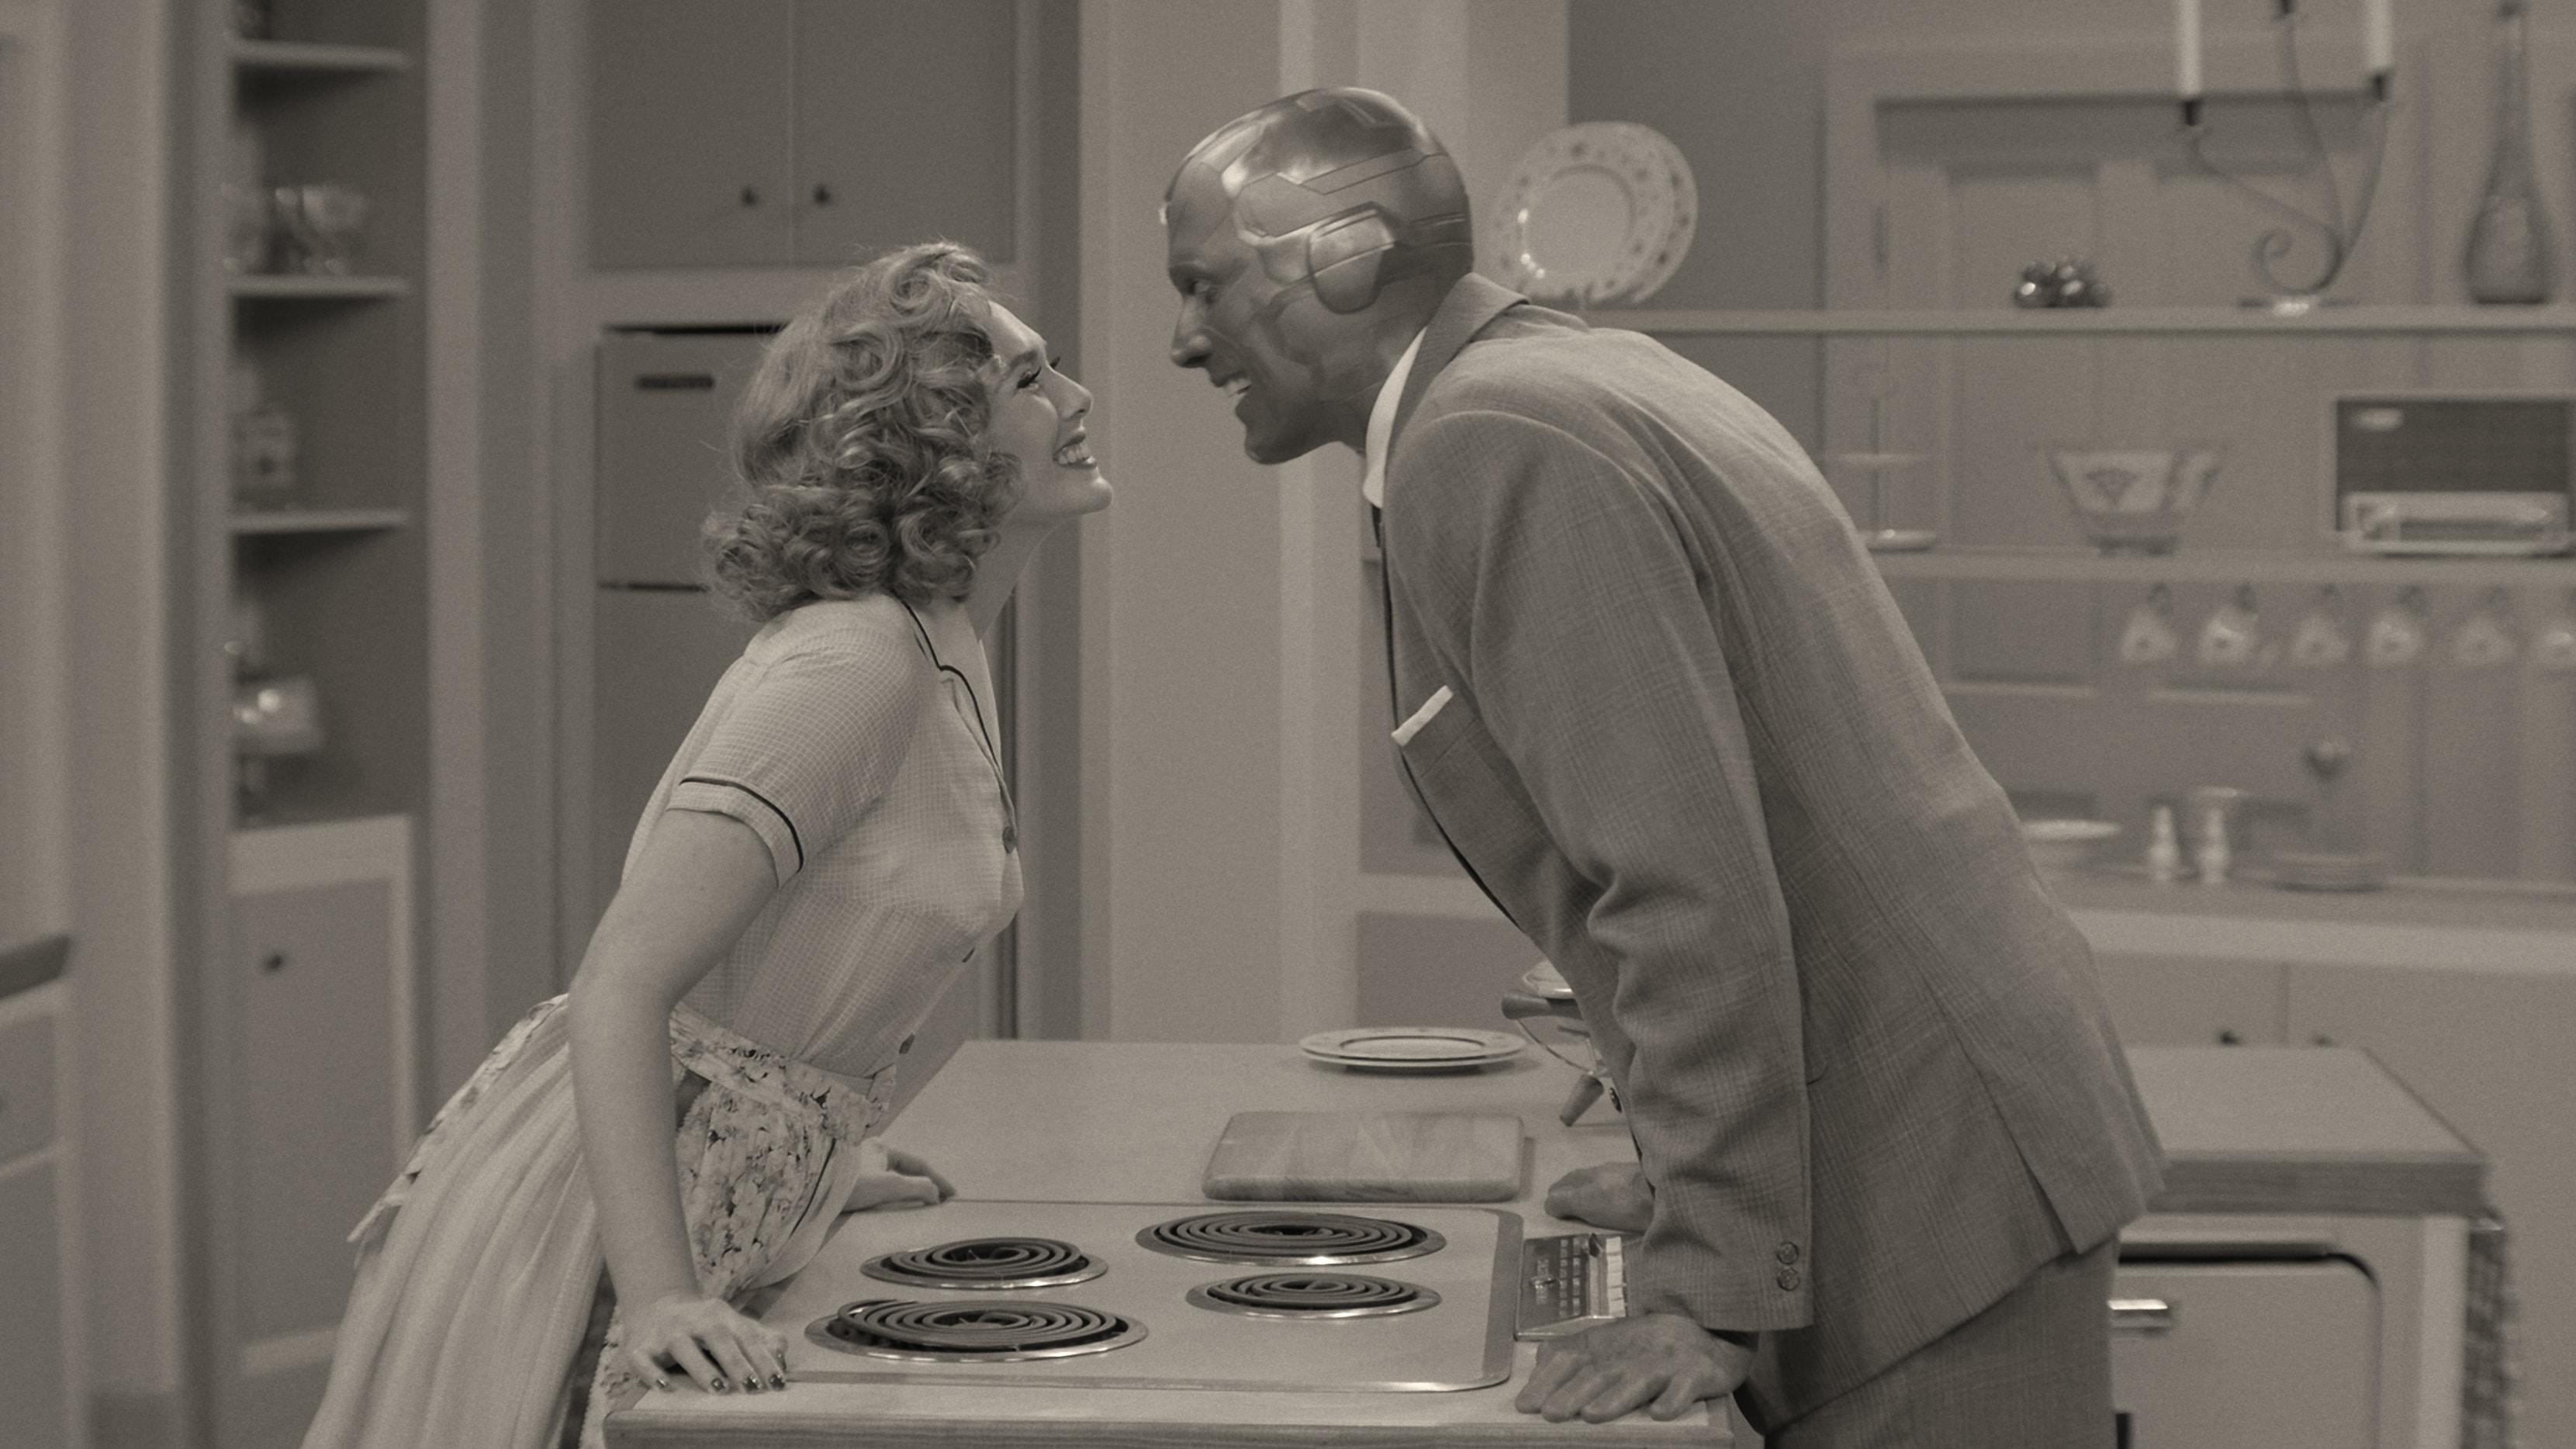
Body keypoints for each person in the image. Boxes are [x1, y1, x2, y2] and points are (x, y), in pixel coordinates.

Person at [1164, 89, 2163, 1447]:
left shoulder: (1490, 438)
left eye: (1204, 286)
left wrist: (1708, 1285)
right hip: (1936, 1130)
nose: (1184, 339)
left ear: (1340, 260)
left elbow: (1684, 883)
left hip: (1922, 1181)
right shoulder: (1569, 374)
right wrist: (1687, 1190)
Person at [302, 240, 1110, 1449]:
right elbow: (620, 985)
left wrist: (817, 1157)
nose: (1077, 397)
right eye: (1031, 380)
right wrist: (661, 1298)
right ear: (935, 447)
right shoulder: (856, 664)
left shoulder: (939, 641)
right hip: (604, 1216)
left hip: (715, 1176)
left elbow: (785, 991)